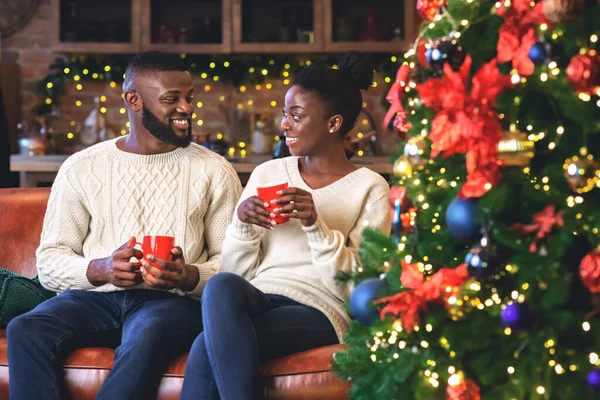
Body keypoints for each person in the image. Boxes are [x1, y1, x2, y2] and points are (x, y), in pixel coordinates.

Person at [6, 51, 242, 400]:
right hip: (93, 300)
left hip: (171, 303)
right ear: (133, 100)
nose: (187, 109)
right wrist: (100, 269)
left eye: (189, 98)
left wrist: (186, 275)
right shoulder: (81, 167)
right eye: (171, 99)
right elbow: (50, 260)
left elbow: (237, 264)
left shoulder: (214, 170)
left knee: (147, 335)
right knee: (25, 328)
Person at [180, 51, 392, 399]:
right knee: (221, 287)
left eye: (296, 116)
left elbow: (359, 290)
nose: (284, 125)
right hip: (259, 295)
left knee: (206, 347)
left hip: (319, 309)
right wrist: (243, 225)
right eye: (285, 115)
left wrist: (314, 224)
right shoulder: (269, 173)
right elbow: (239, 273)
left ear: (333, 123)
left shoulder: (370, 187)